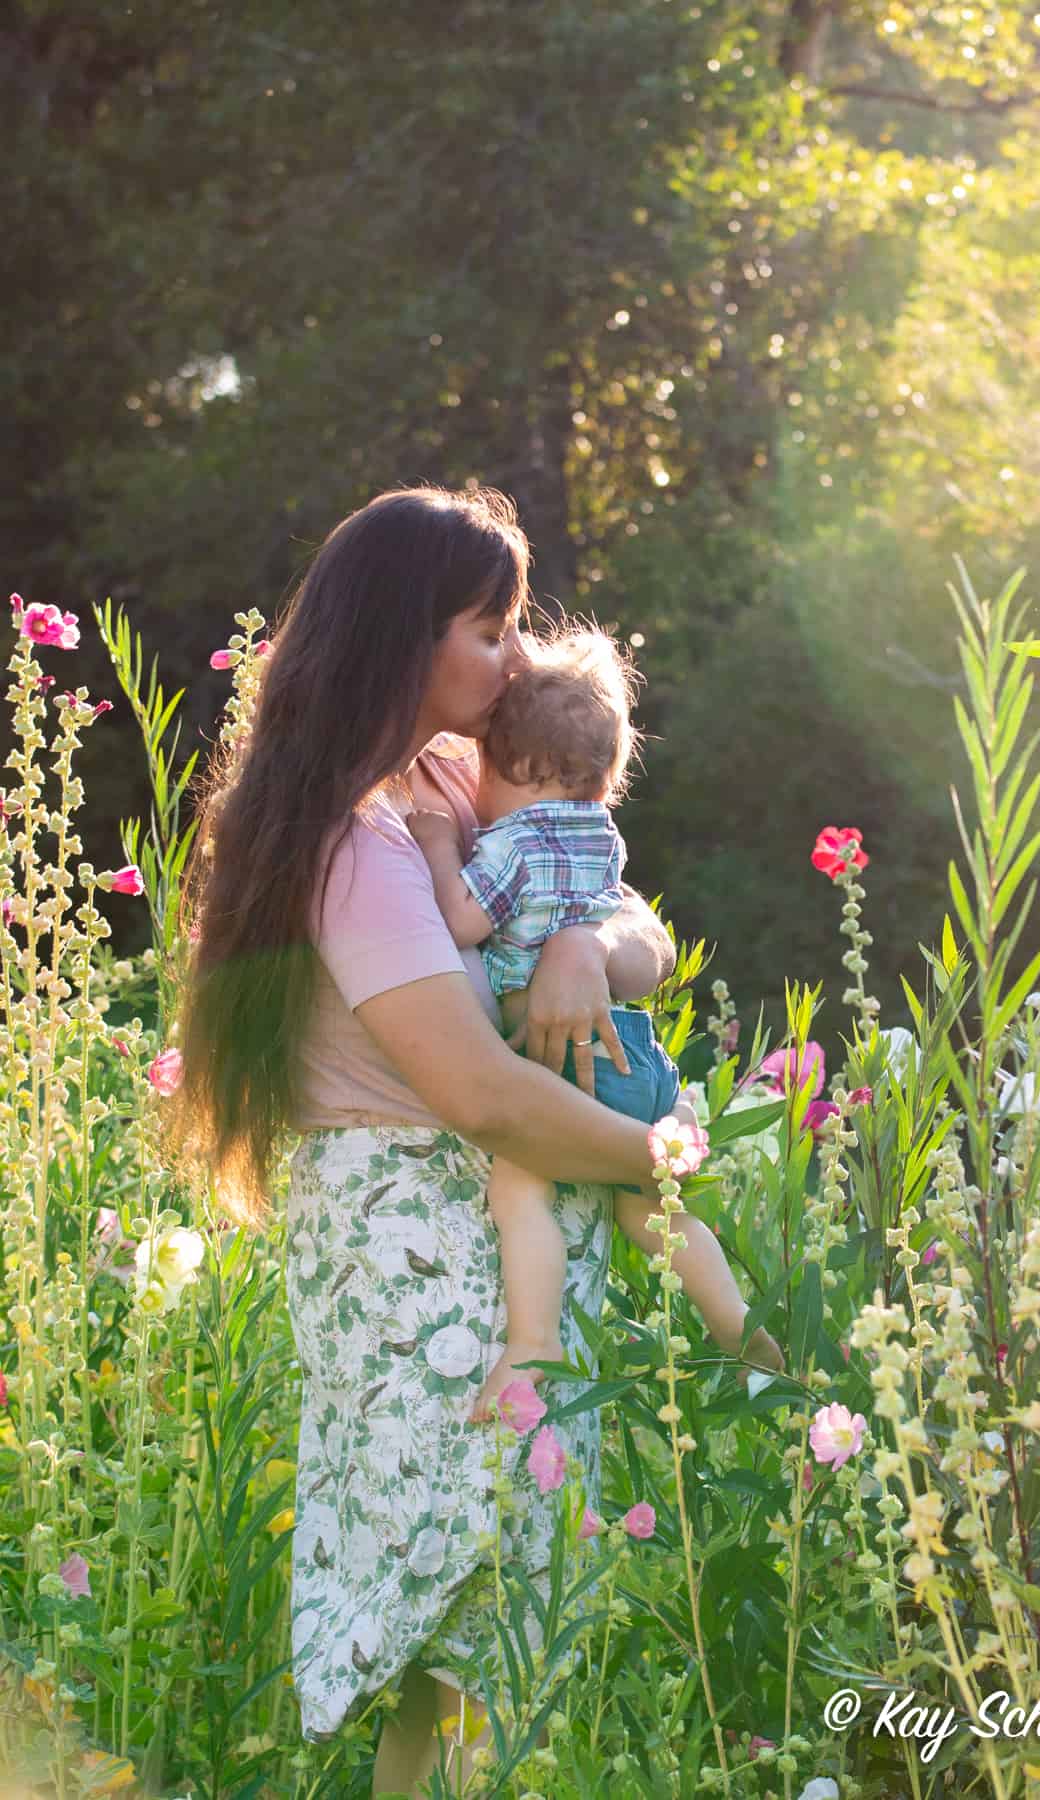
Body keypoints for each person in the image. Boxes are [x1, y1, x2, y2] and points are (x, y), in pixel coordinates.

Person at [165, 484, 682, 1796]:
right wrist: (656, 1164)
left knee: (470, 1660)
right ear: (410, 636)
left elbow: (643, 930)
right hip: (414, 1262)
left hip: (469, 1240)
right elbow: (480, 1093)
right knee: (467, 1636)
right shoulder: (357, 842)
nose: (517, 658)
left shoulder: (445, 785)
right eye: (491, 626)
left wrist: (581, 939)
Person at [408, 622, 785, 1425]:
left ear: (531, 772)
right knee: (652, 1212)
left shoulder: (512, 842)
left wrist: (440, 843)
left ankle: (532, 1342)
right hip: (635, 1054)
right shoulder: (600, 837)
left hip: (572, 1062)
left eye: (489, 772)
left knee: (519, 1192)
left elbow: (463, 921)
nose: (479, 791)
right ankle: (743, 1333)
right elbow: (632, 930)